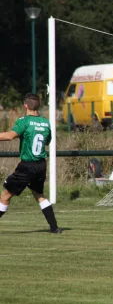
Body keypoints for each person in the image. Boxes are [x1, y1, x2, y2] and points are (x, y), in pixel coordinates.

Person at [0, 93, 61, 233]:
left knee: (5, 196)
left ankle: (54, 228)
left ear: (25, 105)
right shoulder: (46, 123)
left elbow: (10, 136)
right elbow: (47, 141)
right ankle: (55, 228)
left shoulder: (24, 121)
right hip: (41, 165)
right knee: (39, 194)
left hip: (27, 166)